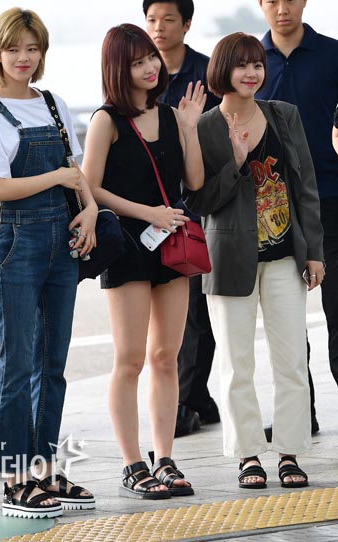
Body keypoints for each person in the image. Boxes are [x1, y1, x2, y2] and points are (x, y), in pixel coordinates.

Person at [0, 7, 97, 518]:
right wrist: (59, 180)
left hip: (62, 238)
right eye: (14, 49)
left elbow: (76, 170)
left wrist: (89, 209)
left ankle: (45, 469)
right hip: (15, 240)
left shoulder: (54, 103)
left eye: (32, 48)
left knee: (52, 363)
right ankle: (15, 478)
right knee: (17, 363)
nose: (24, 57)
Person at [184, 32, 324, 489]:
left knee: (292, 360)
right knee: (235, 364)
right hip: (228, 260)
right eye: (242, 65)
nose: (251, 73)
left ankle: (289, 452)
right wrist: (236, 162)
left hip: (285, 258)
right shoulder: (205, 127)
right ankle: (247, 455)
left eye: (257, 65)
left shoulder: (284, 115)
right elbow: (198, 200)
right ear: (223, 70)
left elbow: (304, 186)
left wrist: (315, 252)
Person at [81, 23, 205, 499]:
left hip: (172, 244)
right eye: (137, 62)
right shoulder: (106, 120)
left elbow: (194, 181)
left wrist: (190, 129)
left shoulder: (170, 115)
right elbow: (90, 187)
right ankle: (132, 464)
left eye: (151, 57)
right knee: (131, 358)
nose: (150, 66)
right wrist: (146, 212)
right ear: (118, 68)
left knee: (165, 357)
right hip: (128, 247)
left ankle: (165, 458)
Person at [256, 0, 338, 439]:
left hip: (331, 198)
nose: (281, 7)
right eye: (271, 0)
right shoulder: (251, 61)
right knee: (286, 319)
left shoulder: (332, 54)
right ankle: (299, 414)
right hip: (275, 208)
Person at [143, 0, 222, 438]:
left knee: (197, 313)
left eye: (168, 19)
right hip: (153, 212)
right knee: (173, 316)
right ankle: (196, 399)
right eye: (151, 20)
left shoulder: (207, 73)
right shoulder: (141, 73)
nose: (159, 27)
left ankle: (187, 402)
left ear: (187, 24)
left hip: (201, 205)